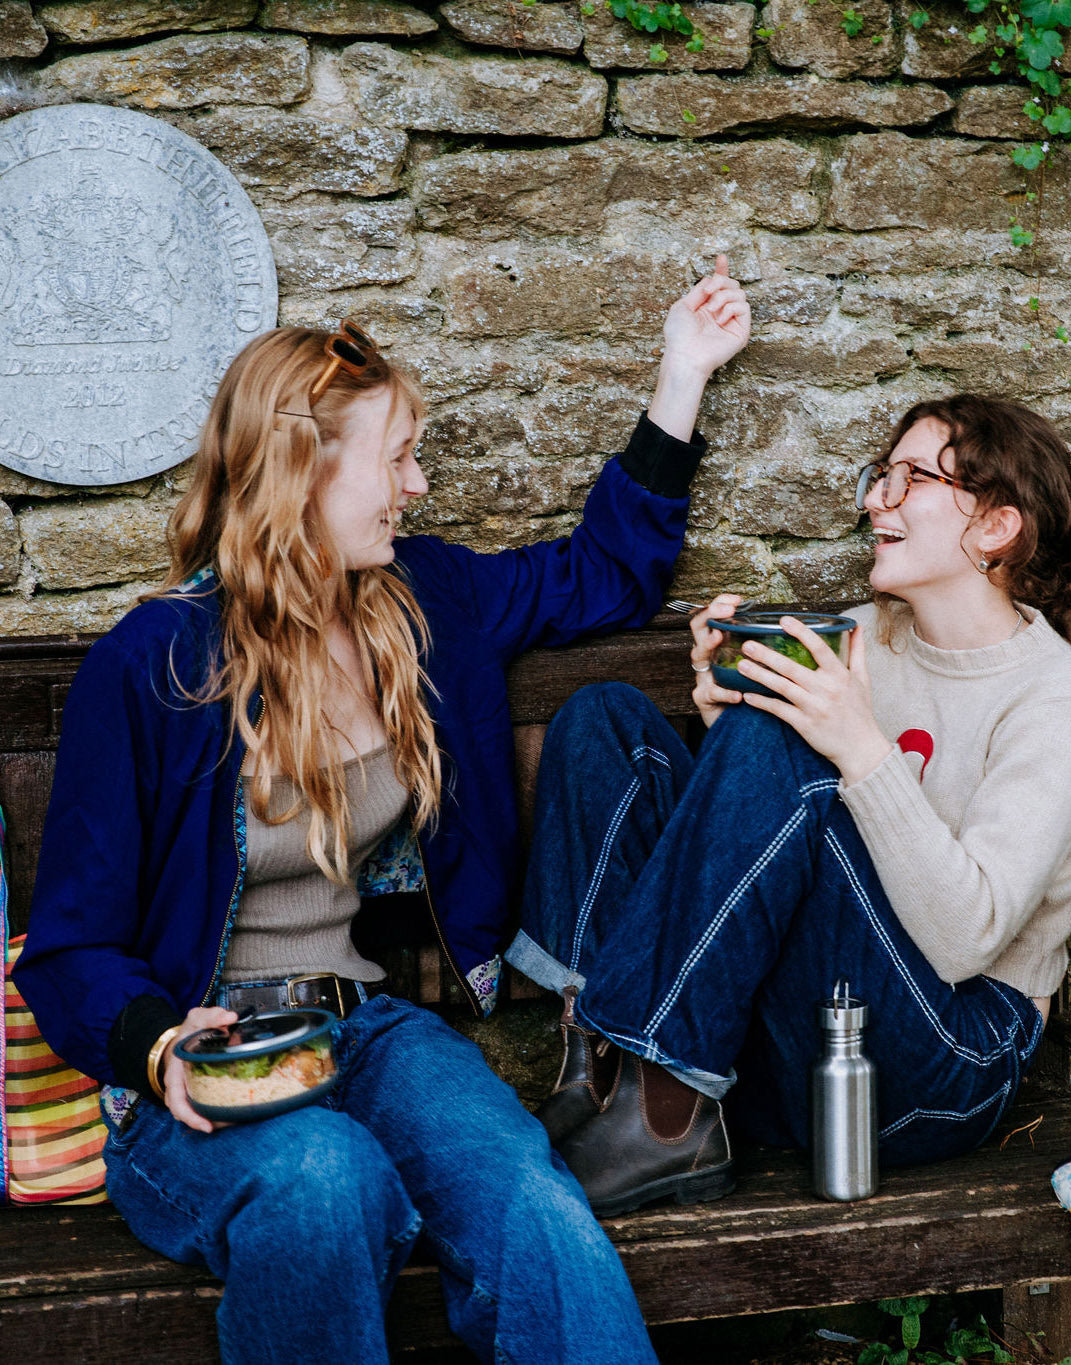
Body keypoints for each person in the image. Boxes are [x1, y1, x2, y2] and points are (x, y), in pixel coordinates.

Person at [13, 261, 751, 1363]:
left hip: (362, 1031)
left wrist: (681, 374)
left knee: (531, 1203)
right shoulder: (153, 667)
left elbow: (605, 575)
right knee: (325, 1177)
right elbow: (71, 947)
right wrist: (157, 1045)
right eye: (396, 459)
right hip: (204, 1067)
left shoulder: (427, 603)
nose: (413, 486)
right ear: (303, 471)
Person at [506, 393, 1071, 1218]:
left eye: (910, 479)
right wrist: (727, 724)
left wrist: (852, 742)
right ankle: (609, 1080)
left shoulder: (1059, 698)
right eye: (880, 476)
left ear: (994, 527)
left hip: (938, 1067)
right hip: (784, 1042)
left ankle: (660, 1109)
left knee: (780, 743)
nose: (874, 498)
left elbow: (967, 937)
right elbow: (771, 840)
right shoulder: (852, 637)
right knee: (604, 721)